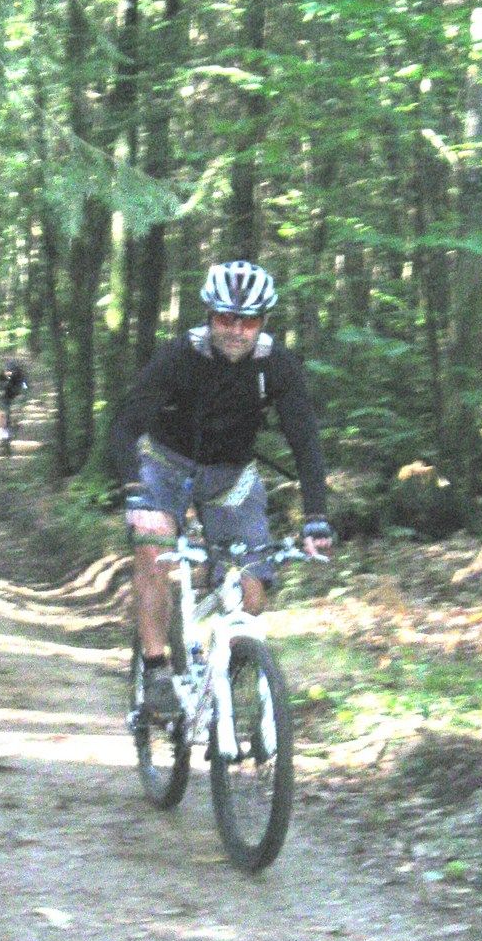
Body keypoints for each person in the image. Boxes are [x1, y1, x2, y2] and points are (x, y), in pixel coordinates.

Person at [110, 259, 334, 717]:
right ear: (209, 316)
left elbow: (305, 441)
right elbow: (126, 424)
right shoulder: (178, 357)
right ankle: (155, 668)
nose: (236, 330)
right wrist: (134, 489)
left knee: (251, 592)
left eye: (248, 321)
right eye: (225, 318)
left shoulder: (277, 366)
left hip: (231, 476)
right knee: (153, 546)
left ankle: (222, 679)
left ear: (263, 322)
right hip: (165, 467)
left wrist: (316, 516)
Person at [0, 359, 28, 446]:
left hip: (16, 393)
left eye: (10, 371)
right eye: (6, 371)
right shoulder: (1, 374)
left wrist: (22, 393)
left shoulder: (19, 374)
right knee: (4, 411)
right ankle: (3, 430)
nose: (8, 373)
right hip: (5, 395)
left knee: (15, 412)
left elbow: (24, 386)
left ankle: (14, 427)